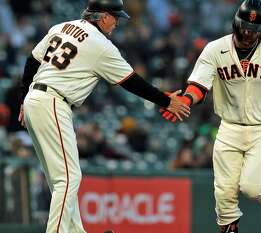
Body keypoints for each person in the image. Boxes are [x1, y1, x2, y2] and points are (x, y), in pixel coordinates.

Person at [17, 0, 190, 232]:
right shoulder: (100, 44)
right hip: (53, 102)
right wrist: (166, 100)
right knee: (69, 180)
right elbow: (131, 82)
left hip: (35, 99)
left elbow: (31, 62)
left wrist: (23, 99)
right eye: (116, 17)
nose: (118, 22)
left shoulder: (61, 27)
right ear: (104, 16)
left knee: (61, 179)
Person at [160, 0, 261, 232]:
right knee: (223, 191)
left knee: (253, 189)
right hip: (229, 126)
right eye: (244, 27)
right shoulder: (214, 49)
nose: (248, 33)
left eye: (254, 30)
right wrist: (186, 99)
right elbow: (199, 86)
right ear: (235, 23)